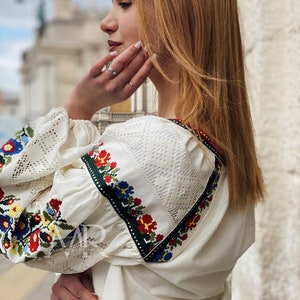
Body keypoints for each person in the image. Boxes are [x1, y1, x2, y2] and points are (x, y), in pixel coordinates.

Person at [0, 0, 264, 299]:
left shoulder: (149, 148)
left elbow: (18, 234)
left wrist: (77, 109)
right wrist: (91, 272)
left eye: (125, 4)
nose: (106, 22)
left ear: (178, 14)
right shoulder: (224, 150)